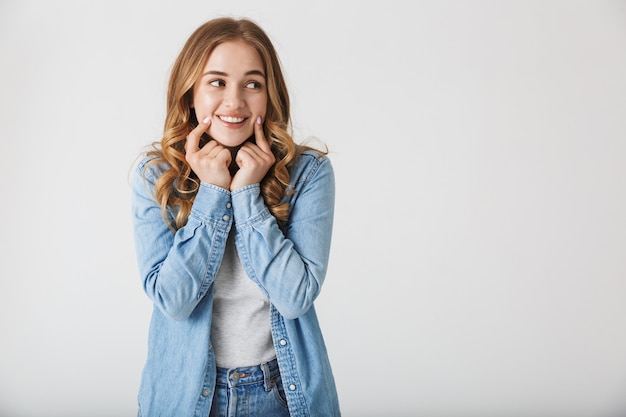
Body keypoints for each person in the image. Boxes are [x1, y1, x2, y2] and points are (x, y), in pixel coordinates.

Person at [130, 17, 341, 417]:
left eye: (252, 83)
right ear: (189, 93)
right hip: (184, 396)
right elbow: (172, 302)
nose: (235, 101)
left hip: (281, 394)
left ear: (269, 95)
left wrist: (246, 194)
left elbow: (295, 298)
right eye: (217, 81)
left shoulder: (308, 173)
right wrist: (212, 193)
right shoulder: (156, 176)